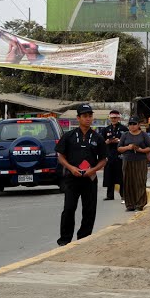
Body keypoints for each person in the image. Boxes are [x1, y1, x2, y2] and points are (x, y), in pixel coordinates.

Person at [55, 104, 106, 246]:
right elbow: (60, 156)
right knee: (69, 209)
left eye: (90, 116)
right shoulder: (69, 136)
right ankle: (65, 240)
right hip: (72, 179)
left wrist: (93, 170)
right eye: (85, 116)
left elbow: (103, 160)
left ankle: (84, 238)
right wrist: (71, 168)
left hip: (90, 179)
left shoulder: (97, 137)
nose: (88, 119)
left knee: (89, 210)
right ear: (78, 118)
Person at [118, 118, 150, 211]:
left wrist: (140, 150)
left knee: (140, 181)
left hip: (140, 161)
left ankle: (140, 204)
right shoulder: (125, 135)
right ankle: (130, 205)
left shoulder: (143, 135)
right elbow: (119, 148)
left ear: (138, 125)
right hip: (127, 160)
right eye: (130, 124)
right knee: (128, 182)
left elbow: (149, 148)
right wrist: (128, 147)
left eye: (134, 124)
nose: (132, 126)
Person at [100, 110, 126, 201]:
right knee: (109, 175)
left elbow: (127, 141)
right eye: (112, 118)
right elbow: (101, 143)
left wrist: (119, 141)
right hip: (109, 155)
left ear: (118, 118)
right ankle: (110, 195)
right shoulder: (105, 129)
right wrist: (107, 142)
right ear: (110, 118)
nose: (114, 119)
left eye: (115, 118)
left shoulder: (124, 129)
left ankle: (123, 195)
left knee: (121, 175)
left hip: (120, 155)